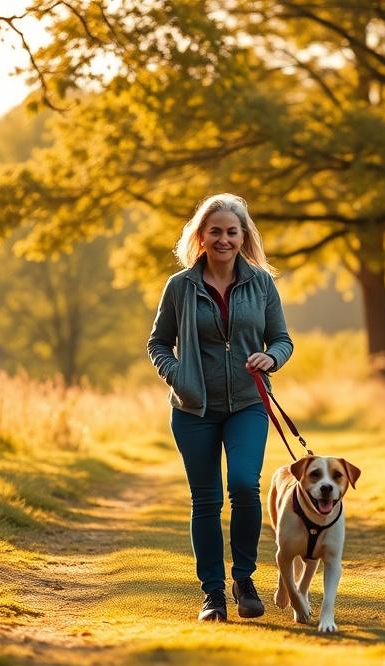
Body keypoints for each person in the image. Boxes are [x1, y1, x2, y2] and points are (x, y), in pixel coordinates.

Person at [147, 193, 294, 622]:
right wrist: (179, 376)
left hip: (249, 402)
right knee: (206, 500)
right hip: (193, 409)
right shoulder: (180, 287)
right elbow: (158, 343)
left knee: (245, 486)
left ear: (243, 236)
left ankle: (244, 580)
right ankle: (212, 593)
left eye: (232, 231)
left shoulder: (261, 284)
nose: (224, 239)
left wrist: (271, 358)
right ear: (201, 236)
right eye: (215, 231)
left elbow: (282, 339)